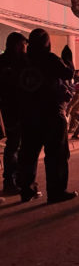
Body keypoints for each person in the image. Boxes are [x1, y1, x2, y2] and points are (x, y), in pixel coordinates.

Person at [17, 28, 77, 204]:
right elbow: (68, 73)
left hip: (28, 115)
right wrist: (68, 59)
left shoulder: (23, 62)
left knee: (28, 153)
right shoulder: (50, 59)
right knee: (56, 154)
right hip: (51, 113)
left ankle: (27, 190)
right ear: (46, 43)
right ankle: (56, 191)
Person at [0, 32, 28, 194]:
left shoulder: (2, 61)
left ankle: (12, 180)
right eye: (24, 45)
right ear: (18, 45)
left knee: (13, 145)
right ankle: (13, 181)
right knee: (16, 146)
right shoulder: (21, 62)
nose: (26, 48)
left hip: (8, 110)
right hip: (18, 110)